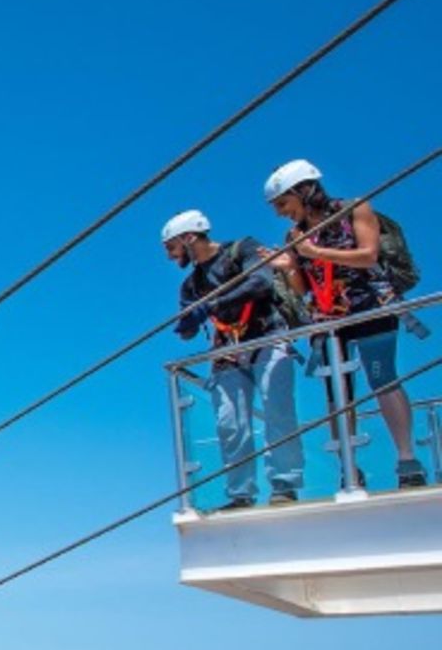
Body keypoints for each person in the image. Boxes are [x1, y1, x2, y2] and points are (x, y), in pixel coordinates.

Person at [265, 159, 429, 490]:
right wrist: (289, 267)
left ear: (302, 191)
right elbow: (303, 287)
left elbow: (368, 255)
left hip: (370, 307)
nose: (281, 212)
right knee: (337, 395)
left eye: (283, 203)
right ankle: (349, 468)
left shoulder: (353, 209)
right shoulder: (294, 235)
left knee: (383, 379)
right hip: (329, 319)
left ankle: (406, 458)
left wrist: (316, 251)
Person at [162, 209, 304, 509]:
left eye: (172, 247)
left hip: (267, 336)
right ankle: (241, 492)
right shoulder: (191, 285)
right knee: (229, 423)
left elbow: (260, 282)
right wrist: (187, 325)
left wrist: (212, 304)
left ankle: (284, 485)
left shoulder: (242, 250)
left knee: (278, 410)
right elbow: (190, 321)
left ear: (189, 238)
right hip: (228, 350)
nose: (171, 257)